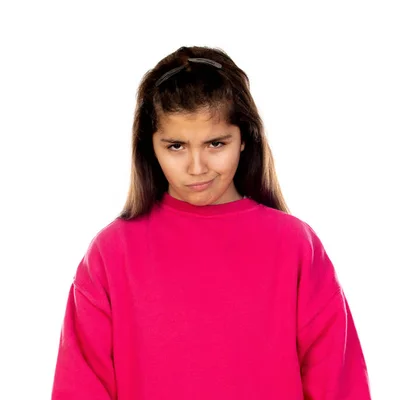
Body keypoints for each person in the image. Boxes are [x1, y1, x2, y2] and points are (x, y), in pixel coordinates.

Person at [51, 45, 371, 399]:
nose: (197, 167)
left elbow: (339, 385)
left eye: (216, 143)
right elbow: (79, 386)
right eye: (175, 146)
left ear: (245, 139)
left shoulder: (295, 246)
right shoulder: (111, 254)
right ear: (150, 147)